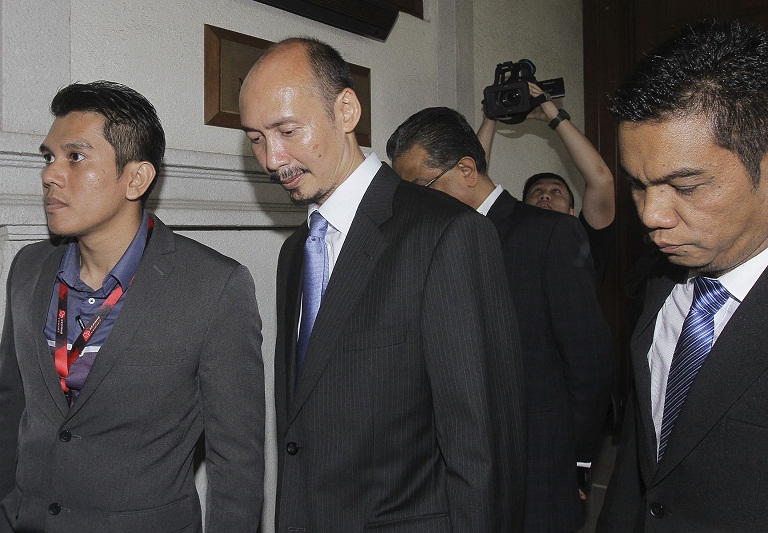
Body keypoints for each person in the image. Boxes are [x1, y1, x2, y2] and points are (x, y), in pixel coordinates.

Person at [238, 38, 526, 532]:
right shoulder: (296, 252)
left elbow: (483, 449)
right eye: (256, 138)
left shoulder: (448, 234)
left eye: (286, 130)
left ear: (346, 109)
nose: (271, 158)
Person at [0, 81, 265, 532]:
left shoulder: (215, 286)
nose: (50, 174)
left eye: (75, 156)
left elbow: (236, 463)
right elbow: (11, 405)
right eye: (49, 157)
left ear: (137, 178)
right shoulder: (29, 267)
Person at [597, 20, 768, 532]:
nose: (651, 215)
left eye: (685, 186)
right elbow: (645, 473)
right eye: (639, 186)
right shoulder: (663, 279)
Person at [387, 106, 614, 532]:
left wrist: (575, 457)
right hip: (455, 472)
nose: (415, 203)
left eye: (422, 187)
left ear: (467, 171)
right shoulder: (428, 241)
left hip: (539, 465)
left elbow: (590, 360)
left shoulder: (548, 234)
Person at [478, 81, 616, 276]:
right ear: (522, 208)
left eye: (556, 191)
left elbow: (601, 180)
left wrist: (555, 116)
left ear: (571, 212)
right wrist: (490, 117)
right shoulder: (506, 238)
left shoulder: (583, 242)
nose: (545, 196)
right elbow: (472, 180)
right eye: (537, 191)